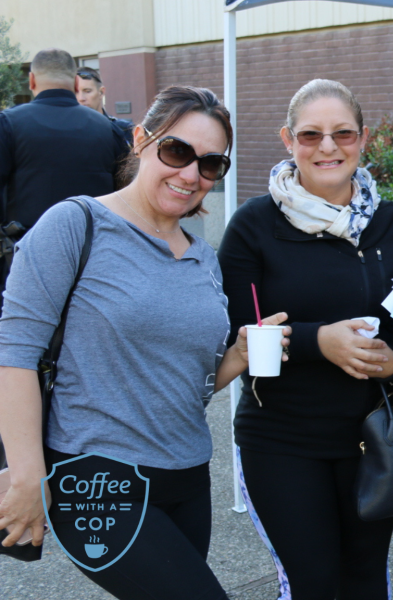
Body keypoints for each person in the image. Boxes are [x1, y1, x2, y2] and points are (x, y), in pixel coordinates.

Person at [0, 86, 278, 600]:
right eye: (177, 151)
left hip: (188, 475)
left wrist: (236, 357)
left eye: (211, 163)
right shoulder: (76, 224)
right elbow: (12, 352)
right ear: (139, 140)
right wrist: (26, 477)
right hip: (96, 475)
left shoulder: (202, 257)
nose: (191, 174)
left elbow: (185, 388)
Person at [218, 79, 393, 600]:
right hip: (282, 440)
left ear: (363, 138)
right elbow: (239, 333)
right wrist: (320, 342)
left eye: (342, 134)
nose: (328, 147)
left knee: (364, 581)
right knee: (314, 584)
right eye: (311, 135)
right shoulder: (252, 227)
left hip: (374, 437)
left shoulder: (389, 225)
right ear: (287, 140)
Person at [0, 49, 128, 311]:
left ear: (32, 81)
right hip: (95, 265)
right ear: (75, 83)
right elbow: (128, 196)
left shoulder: (8, 125)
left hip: (25, 263)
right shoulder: (108, 130)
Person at [76, 66, 135, 146]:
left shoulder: (124, 129)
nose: (81, 98)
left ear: (101, 92)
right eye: (75, 92)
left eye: (87, 91)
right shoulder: (65, 131)